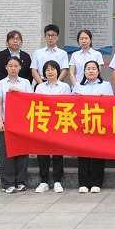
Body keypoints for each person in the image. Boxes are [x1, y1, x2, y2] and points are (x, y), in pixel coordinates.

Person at [72, 60, 113, 193]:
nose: (91, 71)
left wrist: (104, 99)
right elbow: (70, 105)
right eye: (88, 68)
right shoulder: (77, 86)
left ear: (98, 71)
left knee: (98, 153)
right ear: (84, 71)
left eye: (93, 68)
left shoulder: (106, 85)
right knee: (82, 153)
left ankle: (96, 182)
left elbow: (112, 104)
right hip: (82, 125)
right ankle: (83, 183)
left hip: (99, 124)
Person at [0, 56, 33, 194]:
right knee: (6, 154)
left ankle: (20, 182)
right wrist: (0, 121)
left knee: (22, 152)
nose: (13, 68)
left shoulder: (26, 82)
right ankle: (8, 183)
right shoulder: (1, 83)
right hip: (7, 122)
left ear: (20, 67)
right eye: (10, 66)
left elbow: (31, 100)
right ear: (6, 67)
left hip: (22, 122)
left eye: (16, 66)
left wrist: (18, 91)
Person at [34, 60, 71, 193]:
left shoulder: (65, 87)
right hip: (43, 123)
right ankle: (43, 181)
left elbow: (70, 104)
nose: (50, 72)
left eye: (53, 69)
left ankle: (57, 181)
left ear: (58, 71)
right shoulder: (39, 87)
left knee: (57, 154)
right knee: (42, 153)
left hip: (58, 123)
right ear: (44, 72)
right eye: (47, 70)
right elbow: (35, 105)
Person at [0, 30, 33, 116]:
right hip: (6, 88)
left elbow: (29, 73)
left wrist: (20, 84)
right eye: (12, 38)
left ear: (21, 41)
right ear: (7, 41)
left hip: (21, 89)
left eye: (18, 39)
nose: (15, 41)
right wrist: (9, 83)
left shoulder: (26, 56)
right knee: (4, 114)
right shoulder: (1, 55)